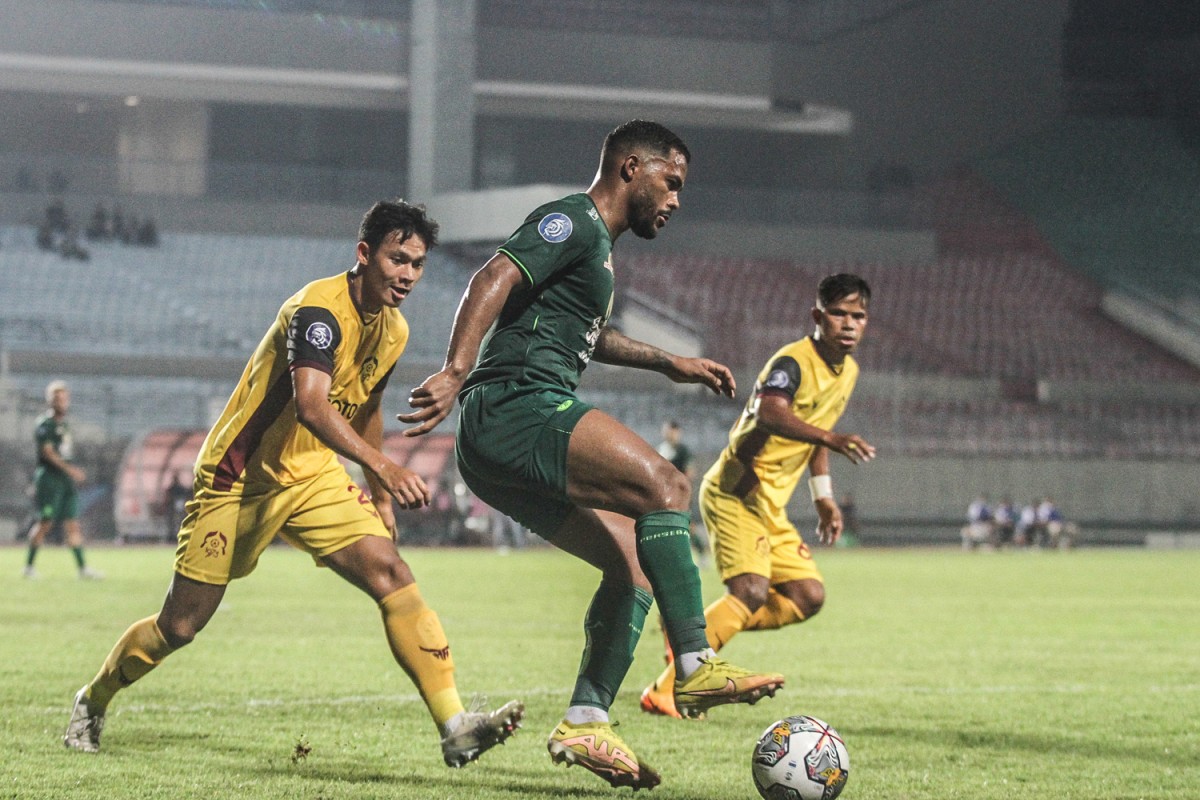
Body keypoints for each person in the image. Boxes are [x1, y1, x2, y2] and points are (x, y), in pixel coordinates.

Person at [63, 200, 524, 767]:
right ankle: (94, 698)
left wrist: (378, 495)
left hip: (312, 476)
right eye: (396, 259)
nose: (407, 275)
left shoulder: (393, 328)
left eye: (418, 264)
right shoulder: (317, 312)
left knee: (393, 573)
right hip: (237, 479)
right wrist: (385, 468)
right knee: (179, 626)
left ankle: (454, 725)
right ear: (364, 254)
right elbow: (311, 406)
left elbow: (368, 404)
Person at [400, 120, 783, 790]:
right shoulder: (571, 221)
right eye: (672, 182)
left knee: (631, 569)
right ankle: (694, 663)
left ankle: (585, 717)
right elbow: (493, 275)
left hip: (499, 440)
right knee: (666, 485)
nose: (676, 200)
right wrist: (456, 369)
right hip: (513, 406)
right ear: (632, 165)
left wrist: (669, 363)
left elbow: (592, 335)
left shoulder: (597, 250)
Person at [639, 273, 876, 719]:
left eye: (858, 316)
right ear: (818, 316)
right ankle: (666, 688)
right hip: (737, 489)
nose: (848, 324)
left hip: (771, 505)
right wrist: (830, 438)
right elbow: (771, 413)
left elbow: (815, 436)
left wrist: (824, 497)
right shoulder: (793, 362)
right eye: (840, 313)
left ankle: (692, 634)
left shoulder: (849, 373)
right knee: (750, 590)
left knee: (807, 596)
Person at [23, 380, 103, 580]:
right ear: (50, 401)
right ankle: (29, 566)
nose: (61, 401)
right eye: (57, 398)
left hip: (65, 481)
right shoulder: (45, 424)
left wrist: (71, 472)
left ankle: (83, 569)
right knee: (45, 523)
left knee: (73, 524)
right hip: (49, 479)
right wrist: (72, 470)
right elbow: (48, 453)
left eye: (64, 397)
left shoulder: (64, 425)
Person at [657, 419, 710, 564]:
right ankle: (669, 557)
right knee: (663, 524)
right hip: (663, 495)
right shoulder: (661, 449)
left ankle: (701, 552)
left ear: (677, 432)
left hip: (679, 494)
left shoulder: (683, 451)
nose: (669, 434)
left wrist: (680, 487)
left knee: (687, 525)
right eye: (667, 430)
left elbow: (689, 472)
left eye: (672, 431)